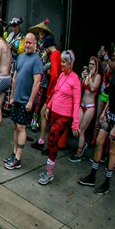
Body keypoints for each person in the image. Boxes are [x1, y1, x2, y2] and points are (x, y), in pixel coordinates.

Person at [80, 41, 115, 194]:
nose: (113, 53)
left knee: (113, 151)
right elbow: (112, 95)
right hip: (109, 114)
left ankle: (107, 182)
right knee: (99, 142)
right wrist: (104, 112)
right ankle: (93, 175)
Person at [38, 50, 82, 185]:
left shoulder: (75, 79)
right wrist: (49, 106)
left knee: (52, 139)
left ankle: (49, 173)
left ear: (70, 64)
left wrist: (75, 124)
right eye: (61, 61)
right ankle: (48, 170)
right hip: (54, 113)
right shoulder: (62, 76)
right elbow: (55, 92)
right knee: (51, 140)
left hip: (65, 116)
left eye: (64, 62)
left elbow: (77, 102)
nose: (61, 64)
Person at [3, 33, 43, 171]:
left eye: (30, 43)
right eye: (26, 42)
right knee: (15, 126)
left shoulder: (37, 60)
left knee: (21, 127)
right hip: (17, 98)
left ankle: (18, 158)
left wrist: (31, 101)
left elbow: (37, 82)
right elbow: (14, 77)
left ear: (35, 44)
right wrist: (12, 96)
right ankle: (14, 153)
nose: (28, 45)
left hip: (26, 101)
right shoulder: (20, 57)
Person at [69, 56, 102, 162]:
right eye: (90, 64)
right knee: (76, 128)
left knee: (82, 130)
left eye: (93, 64)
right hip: (82, 104)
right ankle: (81, 145)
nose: (91, 66)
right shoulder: (86, 75)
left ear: (96, 66)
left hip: (90, 106)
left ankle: (79, 154)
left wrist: (90, 76)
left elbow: (93, 88)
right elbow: (78, 87)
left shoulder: (97, 76)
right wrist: (82, 78)